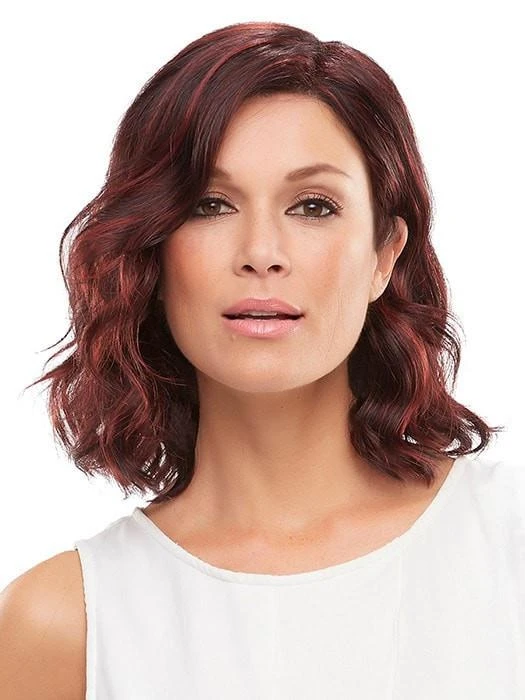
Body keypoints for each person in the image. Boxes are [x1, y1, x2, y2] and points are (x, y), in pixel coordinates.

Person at [1, 20, 523, 700]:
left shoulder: (508, 545)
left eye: (313, 206)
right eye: (209, 204)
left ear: (384, 254)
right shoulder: (61, 624)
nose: (261, 252)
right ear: (151, 253)